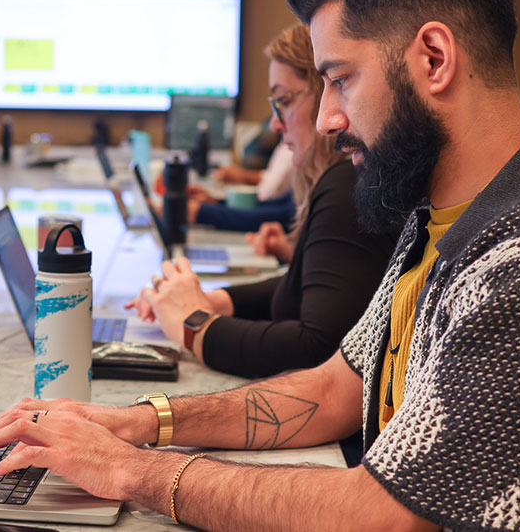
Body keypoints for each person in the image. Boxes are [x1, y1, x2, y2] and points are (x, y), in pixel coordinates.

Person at [0, 0, 520, 532]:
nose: (324, 120)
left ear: (434, 59)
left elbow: (385, 515)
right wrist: (139, 424)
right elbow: (334, 390)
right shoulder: (440, 216)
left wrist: (130, 471)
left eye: (340, 79)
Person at [128, 23, 396, 383]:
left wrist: (192, 325)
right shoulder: (339, 183)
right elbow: (304, 290)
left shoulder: (345, 185)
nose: (275, 122)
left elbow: (316, 348)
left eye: (284, 101)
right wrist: (213, 301)